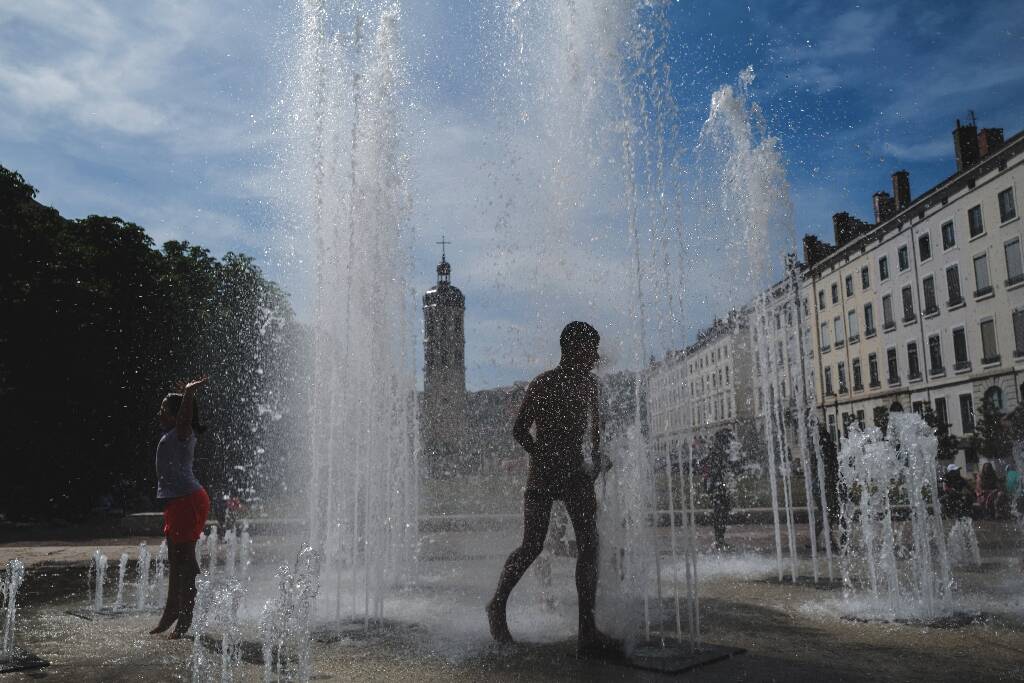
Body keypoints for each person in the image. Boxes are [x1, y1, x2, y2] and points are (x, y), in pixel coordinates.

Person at [486, 322, 620, 658]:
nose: (596, 356)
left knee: (590, 545)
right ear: (575, 349)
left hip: (574, 474)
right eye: (592, 348)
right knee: (532, 545)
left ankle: (586, 632)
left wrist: (599, 460)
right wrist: (541, 454)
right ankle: (497, 605)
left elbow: (597, 435)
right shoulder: (545, 383)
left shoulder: (590, 386)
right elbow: (519, 430)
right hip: (544, 475)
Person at [149, 377, 210, 638]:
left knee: (186, 562)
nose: (159, 412)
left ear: (176, 416)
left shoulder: (183, 433)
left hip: (187, 500)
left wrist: (187, 394)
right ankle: (173, 609)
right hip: (180, 501)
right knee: (176, 559)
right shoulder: (173, 435)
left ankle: (185, 614)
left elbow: (186, 418)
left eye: (164, 408)